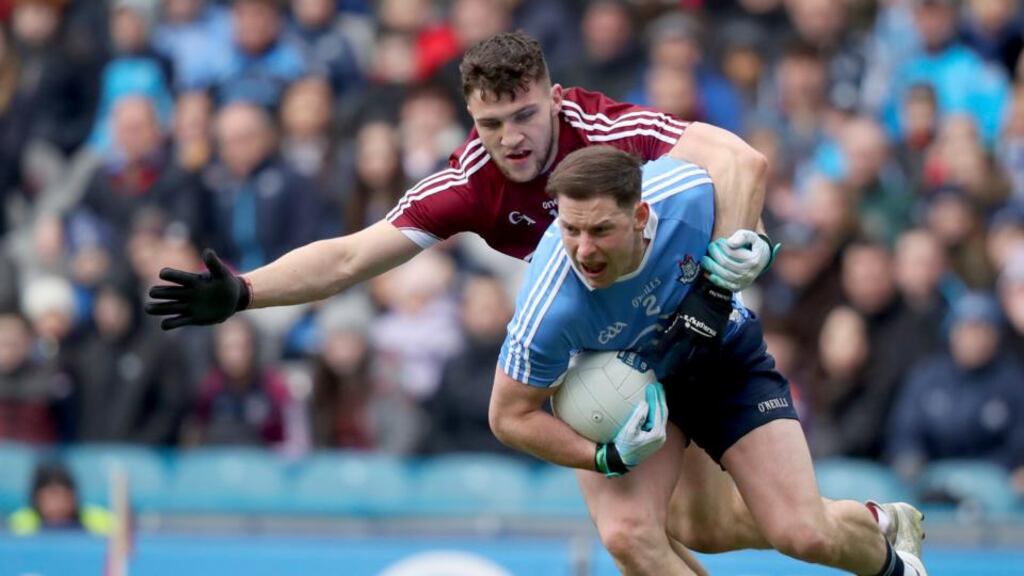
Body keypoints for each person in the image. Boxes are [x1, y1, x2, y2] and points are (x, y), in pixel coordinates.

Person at [147, 31, 778, 572]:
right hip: (597, 355)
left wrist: (725, 274)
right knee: (637, 536)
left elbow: (736, 159)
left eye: (525, 115)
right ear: (471, 121)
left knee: (720, 528)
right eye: (491, 123)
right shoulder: (469, 183)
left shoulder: (603, 130)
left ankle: (864, 531)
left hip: (693, 328)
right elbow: (348, 258)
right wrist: (247, 291)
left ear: (554, 100)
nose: (511, 138)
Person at [489, 145, 927, 576]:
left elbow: (747, 164)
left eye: (601, 231)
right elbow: (508, 416)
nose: (583, 250)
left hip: (722, 357)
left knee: (800, 533)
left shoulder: (684, 195)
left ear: (640, 217)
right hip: (634, 397)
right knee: (631, 537)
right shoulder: (549, 308)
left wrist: (751, 237)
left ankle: (888, 548)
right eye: (571, 230)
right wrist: (605, 456)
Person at [7, 460, 114, 536]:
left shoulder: (97, 521)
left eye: (64, 497)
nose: (59, 505)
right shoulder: (19, 525)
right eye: (51, 498)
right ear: (36, 499)